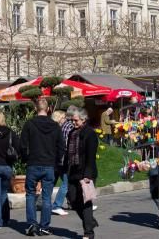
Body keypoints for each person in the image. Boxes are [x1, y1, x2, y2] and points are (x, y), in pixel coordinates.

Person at [21, 98, 64, 236]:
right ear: (48, 109)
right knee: (46, 197)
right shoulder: (55, 126)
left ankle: (32, 224)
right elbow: (61, 146)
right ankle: (44, 226)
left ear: (35, 109)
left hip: (33, 163)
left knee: (30, 195)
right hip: (49, 164)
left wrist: (26, 159)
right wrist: (56, 161)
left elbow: (23, 145)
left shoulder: (29, 124)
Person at [65, 108, 98, 239]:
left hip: (85, 172)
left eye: (76, 120)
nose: (73, 123)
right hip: (73, 171)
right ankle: (90, 221)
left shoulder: (90, 133)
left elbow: (91, 156)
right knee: (73, 200)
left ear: (83, 119)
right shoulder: (72, 133)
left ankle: (88, 233)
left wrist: (87, 175)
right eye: (72, 120)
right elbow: (68, 153)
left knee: (85, 202)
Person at [52, 107, 77, 216]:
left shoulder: (56, 128)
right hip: (64, 159)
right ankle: (57, 205)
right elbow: (68, 144)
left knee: (53, 182)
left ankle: (73, 203)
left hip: (56, 158)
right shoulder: (68, 126)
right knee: (66, 183)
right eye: (63, 117)